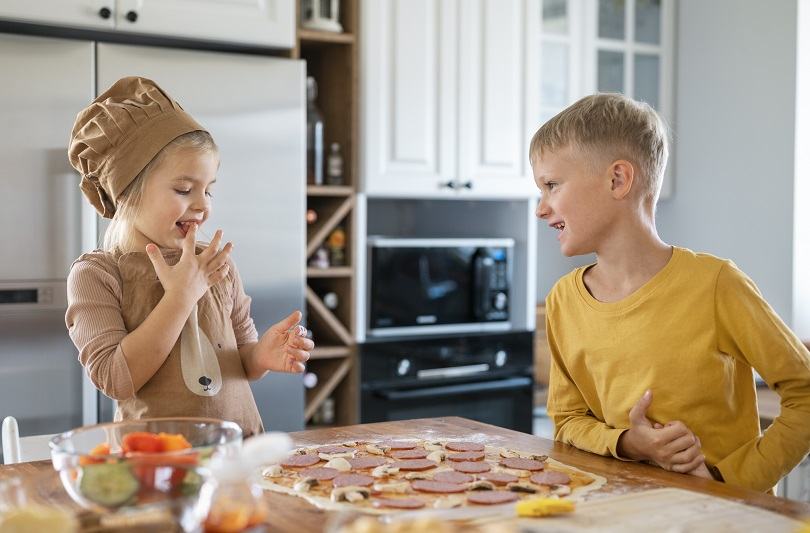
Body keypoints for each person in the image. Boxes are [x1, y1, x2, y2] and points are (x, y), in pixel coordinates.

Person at [532, 92, 810, 491]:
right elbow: (568, 421)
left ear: (617, 179)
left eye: (551, 185)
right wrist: (630, 443)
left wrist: (727, 482)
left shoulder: (716, 285)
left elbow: (805, 393)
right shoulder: (563, 300)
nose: (540, 208)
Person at [65, 77, 313, 436]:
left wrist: (262, 356)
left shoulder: (216, 263)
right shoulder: (97, 275)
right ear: (128, 191)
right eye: (184, 189)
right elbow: (116, 378)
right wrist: (181, 296)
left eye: (208, 190)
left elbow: (239, 359)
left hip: (239, 454)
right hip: (158, 467)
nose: (202, 206)